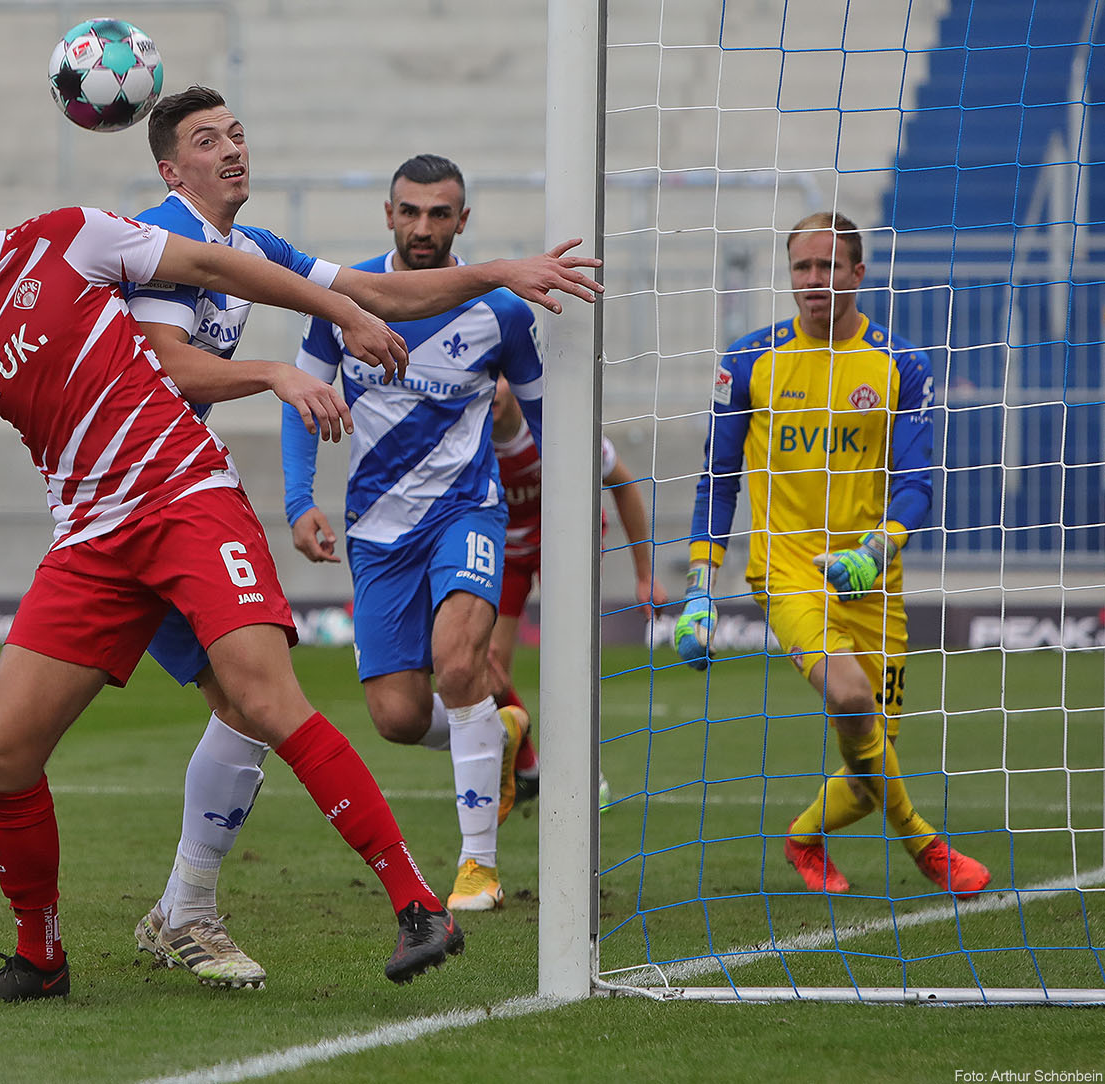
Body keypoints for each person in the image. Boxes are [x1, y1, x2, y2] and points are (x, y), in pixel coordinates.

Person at [0, 146, 587, 1003]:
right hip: (91, 539)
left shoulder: (72, 235)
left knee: (265, 703)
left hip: (185, 499)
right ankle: (44, 957)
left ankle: (417, 905)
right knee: (1, 754)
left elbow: (219, 268)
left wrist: (336, 320)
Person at [124, 89, 603, 989]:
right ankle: (54, 918)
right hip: (142, 512)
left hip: (448, 509)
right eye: (206, 140)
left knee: (298, 691)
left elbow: (377, 295)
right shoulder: (153, 243)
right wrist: (291, 454)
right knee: (383, 715)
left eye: (237, 132)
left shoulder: (259, 249)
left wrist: (501, 272)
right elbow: (174, 365)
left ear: (460, 217)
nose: (233, 149)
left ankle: (461, 867)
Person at [674, 211, 991, 899]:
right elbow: (717, 480)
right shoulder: (749, 360)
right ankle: (927, 847)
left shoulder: (901, 364)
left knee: (872, 759)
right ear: (789, 274)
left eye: (828, 267)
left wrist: (876, 553)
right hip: (786, 573)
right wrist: (701, 586)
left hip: (873, 582)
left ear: (857, 273)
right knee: (849, 698)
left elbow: (914, 484)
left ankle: (804, 837)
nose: (814, 280)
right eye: (802, 268)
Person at [486, 376, 670, 811]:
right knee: (484, 669)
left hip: (562, 540)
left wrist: (644, 575)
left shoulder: (557, 422)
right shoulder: (464, 429)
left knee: (567, 661)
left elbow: (624, 485)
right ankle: (528, 768)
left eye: (500, 376)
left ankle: (588, 774)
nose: (491, 388)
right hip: (502, 548)